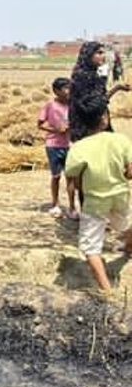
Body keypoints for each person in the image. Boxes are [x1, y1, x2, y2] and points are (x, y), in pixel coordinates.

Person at [64, 96, 132, 293]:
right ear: (105, 118)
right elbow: (130, 171)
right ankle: (129, 248)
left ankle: (107, 291)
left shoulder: (79, 148)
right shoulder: (121, 141)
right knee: (125, 224)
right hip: (120, 195)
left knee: (91, 248)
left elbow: (73, 179)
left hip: (94, 201)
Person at [69, 41, 128, 142]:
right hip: (90, 131)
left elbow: (99, 99)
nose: (103, 56)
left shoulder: (90, 74)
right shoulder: (85, 76)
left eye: (103, 53)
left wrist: (116, 88)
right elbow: (90, 106)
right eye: (99, 53)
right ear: (88, 55)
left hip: (93, 129)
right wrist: (101, 121)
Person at [38, 77, 77, 219]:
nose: (68, 91)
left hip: (70, 145)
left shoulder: (73, 106)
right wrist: (56, 130)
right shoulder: (50, 105)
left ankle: (72, 207)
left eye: (69, 88)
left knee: (71, 177)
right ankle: (55, 204)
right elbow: (41, 124)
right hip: (53, 145)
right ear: (56, 91)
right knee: (56, 176)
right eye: (65, 89)